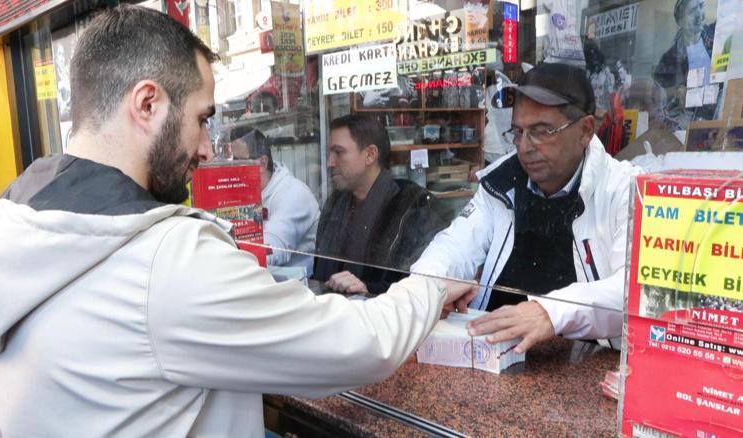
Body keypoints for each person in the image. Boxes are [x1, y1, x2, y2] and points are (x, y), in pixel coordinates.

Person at [0, 6, 478, 436]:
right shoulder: (163, 261)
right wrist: (432, 284)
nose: (206, 148)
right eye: (201, 118)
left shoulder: (3, 228)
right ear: (147, 104)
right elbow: (364, 345)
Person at [412, 63, 642, 354]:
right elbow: (454, 246)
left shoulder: (626, 191)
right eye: (518, 132)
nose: (524, 147)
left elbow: (631, 289)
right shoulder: (501, 182)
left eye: (542, 131)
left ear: (585, 130)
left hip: (585, 367)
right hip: (492, 352)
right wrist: (425, 290)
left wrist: (550, 312)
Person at [312, 114, 446, 295]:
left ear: (370, 155)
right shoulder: (336, 203)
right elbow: (320, 271)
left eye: (339, 152)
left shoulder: (413, 207)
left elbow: (423, 287)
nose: (329, 162)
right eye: (330, 153)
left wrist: (368, 290)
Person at [223, 126, 320, 275]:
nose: (232, 168)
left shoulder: (293, 193)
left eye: (238, 161)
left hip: (297, 287)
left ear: (262, 162)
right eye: (230, 162)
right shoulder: (246, 191)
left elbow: (271, 251)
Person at [653, 0, 716, 128]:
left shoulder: (716, 36)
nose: (699, 14)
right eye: (692, 11)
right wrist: (677, 91)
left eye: (701, 6)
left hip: (716, 117)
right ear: (680, 21)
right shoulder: (669, 59)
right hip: (688, 126)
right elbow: (658, 95)